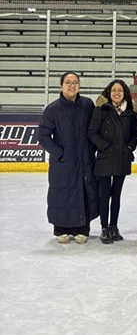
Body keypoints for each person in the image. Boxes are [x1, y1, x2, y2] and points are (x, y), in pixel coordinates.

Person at [38, 72, 98, 244]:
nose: (72, 85)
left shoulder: (87, 105)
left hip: (84, 161)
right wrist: (60, 154)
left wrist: (90, 150)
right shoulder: (53, 109)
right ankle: (61, 230)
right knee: (61, 194)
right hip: (63, 163)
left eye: (75, 82)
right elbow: (43, 136)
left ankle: (81, 229)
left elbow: (94, 130)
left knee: (83, 192)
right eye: (68, 82)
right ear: (61, 86)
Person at [88, 79, 137, 244]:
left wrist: (130, 146)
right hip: (105, 158)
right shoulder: (101, 110)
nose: (117, 93)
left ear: (125, 93)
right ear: (109, 93)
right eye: (113, 91)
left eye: (120, 90)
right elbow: (92, 132)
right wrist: (105, 147)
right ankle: (104, 227)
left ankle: (114, 226)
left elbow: (134, 133)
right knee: (104, 195)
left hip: (122, 158)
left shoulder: (130, 111)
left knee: (116, 195)